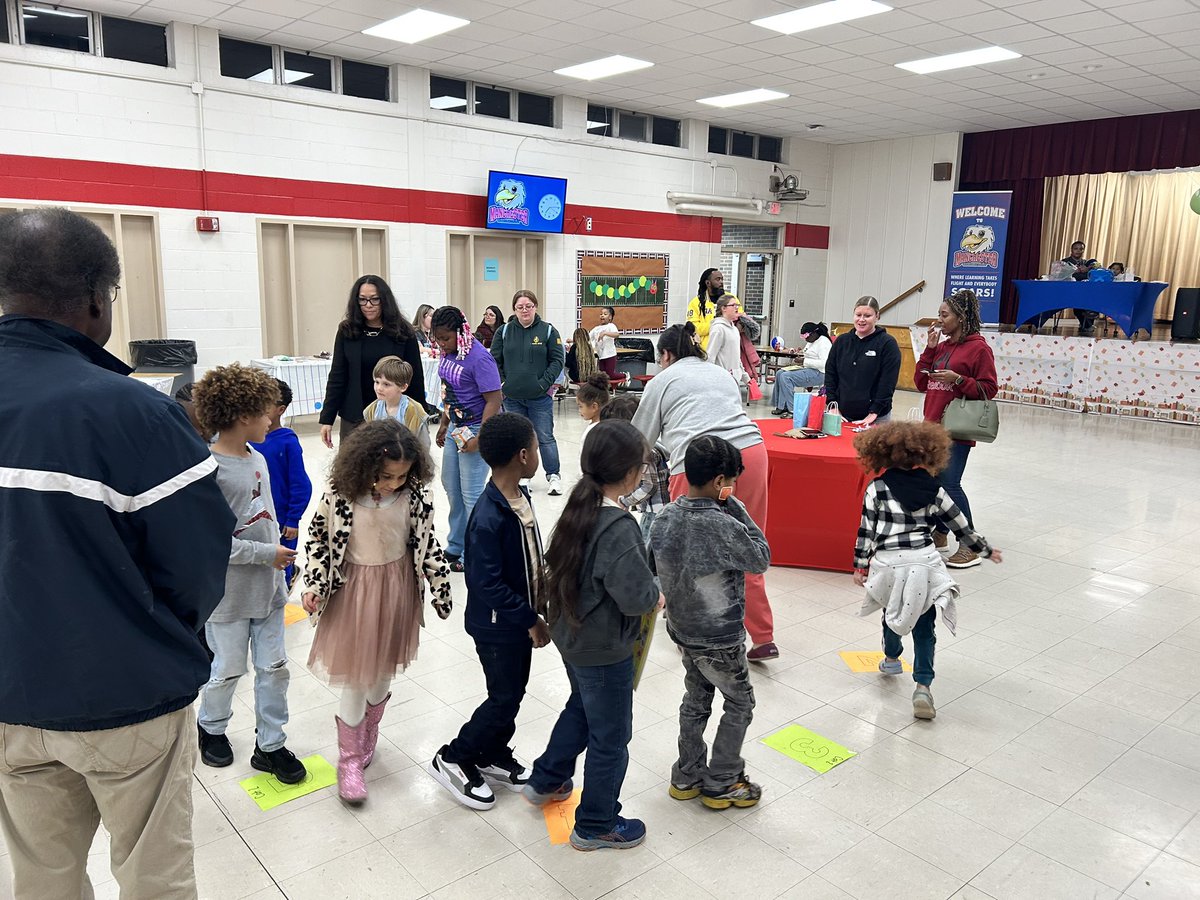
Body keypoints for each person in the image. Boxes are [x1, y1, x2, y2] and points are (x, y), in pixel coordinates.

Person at [0, 208, 232, 900]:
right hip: (127, 698)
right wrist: (155, 635)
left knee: (41, 876)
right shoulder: (135, 414)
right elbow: (197, 570)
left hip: (9, 698)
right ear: (98, 300)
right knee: (154, 877)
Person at [522, 420, 659, 851]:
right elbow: (636, 598)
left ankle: (546, 778)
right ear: (631, 473)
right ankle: (597, 823)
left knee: (582, 707)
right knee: (611, 737)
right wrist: (655, 593)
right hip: (603, 649)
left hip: (573, 637)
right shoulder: (619, 526)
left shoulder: (580, 506)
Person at [300, 419, 452, 804]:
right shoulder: (340, 496)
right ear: (365, 465)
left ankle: (369, 732)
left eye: (401, 477)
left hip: (397, 591)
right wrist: (314, 584)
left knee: (382, 672)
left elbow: (428, 544)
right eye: (386, 476)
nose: (393, 484)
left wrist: (440, 585)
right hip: (353, 594)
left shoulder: (415, 498)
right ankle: (349, 759)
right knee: (356, 676)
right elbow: (318, 539)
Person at [632, 323, 777, 661]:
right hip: (749, 456)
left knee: (686, 554)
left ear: (666, 355)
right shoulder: (720, 373)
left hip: (697, 466)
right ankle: (763, 637)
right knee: (747, 543)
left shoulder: (662, 380)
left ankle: (692, 632)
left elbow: (637, 440)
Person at [429, 413, 551, 810]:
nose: (537, 454)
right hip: (498, 626)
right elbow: (486, 584)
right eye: (535, 448)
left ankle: (492, 751)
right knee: (503, 697)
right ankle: (455, 756)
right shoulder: (487, 516)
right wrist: (530, 619)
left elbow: (528, 559)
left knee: (512, 693)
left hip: (516, 621)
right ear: (522, 456)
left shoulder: (519, 497)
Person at [192, 365, 306, 785]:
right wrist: (266, 554)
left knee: (274, 668)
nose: (271, 419)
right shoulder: (209, 469)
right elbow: (210, 544)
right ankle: (211, 727)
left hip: (268, 589)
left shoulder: (257, 457)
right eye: (265, 412)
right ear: (243, 416)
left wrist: (278, 564)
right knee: (227, 669)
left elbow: (265, 519)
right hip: (227, 597)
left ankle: (270, 745)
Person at [649, 436, 771, 809]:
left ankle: (686, 775)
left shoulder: (665, 517)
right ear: (720, 482)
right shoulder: (724, 522)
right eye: (731, 482)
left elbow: (651, 564)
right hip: (721, 636)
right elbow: (760, 558)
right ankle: (722, 780)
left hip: (683, 630)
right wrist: (736, 507)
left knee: (696, 698)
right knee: (740, 701)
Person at [852, 421, 1002, 720]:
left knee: (892, 611)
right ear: (928, 454)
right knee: (924, 626)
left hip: (890, 563)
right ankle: (922, 686)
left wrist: (860, 565)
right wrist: (985, 550)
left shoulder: (877, 489)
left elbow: (866, 530)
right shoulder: (936, 490)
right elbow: (961, 526)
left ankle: (891, 658)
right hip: (923, 563)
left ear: (882, 454)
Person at [914, 289, 998, 569]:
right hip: (931, 426)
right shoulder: (941, 347)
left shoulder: (979, 349)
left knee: (949, 485)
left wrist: (959, 379)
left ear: (961, 317)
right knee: (933, 484)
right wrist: (929, 349)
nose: (939, 320)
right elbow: (920, 383)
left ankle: (971, 545)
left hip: (956, 429)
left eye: (944, 315)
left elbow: (989, 389)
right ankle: (940, 533)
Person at [431, 306, 503, 572]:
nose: (441, 343)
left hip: (476, 426)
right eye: (437, 338)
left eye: (445, 338)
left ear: (460, 333)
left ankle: (476, 551)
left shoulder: (480, 358)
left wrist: (481, 438)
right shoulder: (449, 352)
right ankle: (457, 543)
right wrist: (444, 422)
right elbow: (449, 390)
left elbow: (494, 400)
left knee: (471, 493)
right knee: (451, 485)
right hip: (455, 425)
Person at [320, 275, 425, 447]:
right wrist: (327, 418)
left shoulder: (403, 332)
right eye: (362, 300)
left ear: (385, 300)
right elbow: (338, 376)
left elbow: (415, 378)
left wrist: (420, 417)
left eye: (374, 299)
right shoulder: (347, 330)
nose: (368, 305)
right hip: (354, 415)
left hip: (393, 416)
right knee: (353, 463)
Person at [489, 290, 565, 496]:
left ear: (535, 307)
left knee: (545, 437)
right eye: (520, 307)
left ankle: (553, 476)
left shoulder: (548, 331)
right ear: (514, 309)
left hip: (540, 397)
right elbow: (494, 360)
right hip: (512, 398)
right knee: (518, 438)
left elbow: (557, 360)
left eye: (529, 306)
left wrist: (544, 384)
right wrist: (503, 383)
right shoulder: (504, 331)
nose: (525, 310)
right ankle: (522, 476)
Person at [249, 379, 312, 589]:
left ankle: (286, 583)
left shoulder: (288, 443)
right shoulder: (248, 438)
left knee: (280, 569)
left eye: (265, 403)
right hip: (254, 518)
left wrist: (293, 519)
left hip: (283, 522)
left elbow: (301, 485)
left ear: (280, 409)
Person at [602, 395, 670, 543]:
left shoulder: (645, 452)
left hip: (655, 511)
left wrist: (625, 501)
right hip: (658, 509)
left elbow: (649, 486)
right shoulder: (653, 442)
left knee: (646, 546)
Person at [824, 297, 901, 426]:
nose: (861, 320)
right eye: (858, 315)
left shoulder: (887, 343)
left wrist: (875, 411)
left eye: (867, 316)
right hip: (840, 414)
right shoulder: (842, 341)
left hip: (875, 417)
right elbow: (830, 374)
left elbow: (888, 381)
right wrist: (832, 404)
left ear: (877, 316)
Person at [363, 355, 430, 449]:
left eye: (386, 384)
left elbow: (423, 446)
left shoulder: (414, 411)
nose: (379, 388)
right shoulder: (372, 410)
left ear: (403, 387)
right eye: (377, 382)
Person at [770, 322, 832, 416]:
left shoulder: (824, 343)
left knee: (786, 377)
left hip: (820, 373)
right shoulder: (811, 341)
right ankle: (781, 406)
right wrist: (798, 354)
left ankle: (792, 409)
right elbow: (807, 353)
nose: (805, 339)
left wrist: (804, 361)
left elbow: (825, 364)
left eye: (806, 336)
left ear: (814, 333)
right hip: (808, 368)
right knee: (780, 373)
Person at [706, 294, 752, 402]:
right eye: (733, 305)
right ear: (724, 308)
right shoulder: (718, 329)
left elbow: (736, 358)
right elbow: (710, 357)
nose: (737, 308)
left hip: (734, 380)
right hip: (721, 381)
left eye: (737, 305)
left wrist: (746, 378)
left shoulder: (734, 330)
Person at [687, 267, 735, 351]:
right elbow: (693, 328)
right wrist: (717, 324)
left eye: (722, 279)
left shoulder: (731, 299)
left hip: (728, 349)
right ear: (708, 283)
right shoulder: (695, 303)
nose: (721, 282)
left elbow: (739, 319)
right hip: (705, 351)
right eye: (718, 279)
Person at [1062, 240, 1098, 335]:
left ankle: (1086, 325)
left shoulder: (1087, 263)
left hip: (1087, 290)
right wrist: (1074, 271)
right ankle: (1087, 326)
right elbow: (1060, 275)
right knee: (1079, 303)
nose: (1078, 251)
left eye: (1081, 249)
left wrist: (1088, 268)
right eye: (1076, 249)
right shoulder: (1065, 262)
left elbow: (1097, 269)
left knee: (1094, 300)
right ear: (1071, 250)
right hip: (1070, 290)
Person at [576, 372, 611, 439]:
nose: (579, 410)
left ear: (594, 407)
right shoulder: (607, 427)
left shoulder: (595, 432)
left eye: (580, 406)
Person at [589, 305, 620, 379]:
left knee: (610, 375)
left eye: (605, 314)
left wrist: (605, 333)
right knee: (602, 376)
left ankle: (625, 375)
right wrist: (573, 340)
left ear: (610, 317)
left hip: (610, 354)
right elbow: (587, 337)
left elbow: (617, 334)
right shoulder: (596, 328)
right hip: (601, 355)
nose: (602, 315)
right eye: (601, 314)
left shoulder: (611, 326)